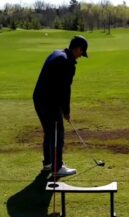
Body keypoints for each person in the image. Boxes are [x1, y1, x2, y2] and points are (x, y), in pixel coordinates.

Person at [33, 35, 88, 176]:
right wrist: (66, 112)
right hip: (49, 101)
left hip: (39, 98)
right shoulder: (67, 63)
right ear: (78, 49)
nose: (80, 56)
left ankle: (48, 163)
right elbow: (65, 90)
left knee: (49, 131)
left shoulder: (57, 53)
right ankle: (57, 167)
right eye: (82, 53)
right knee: (58, 133)